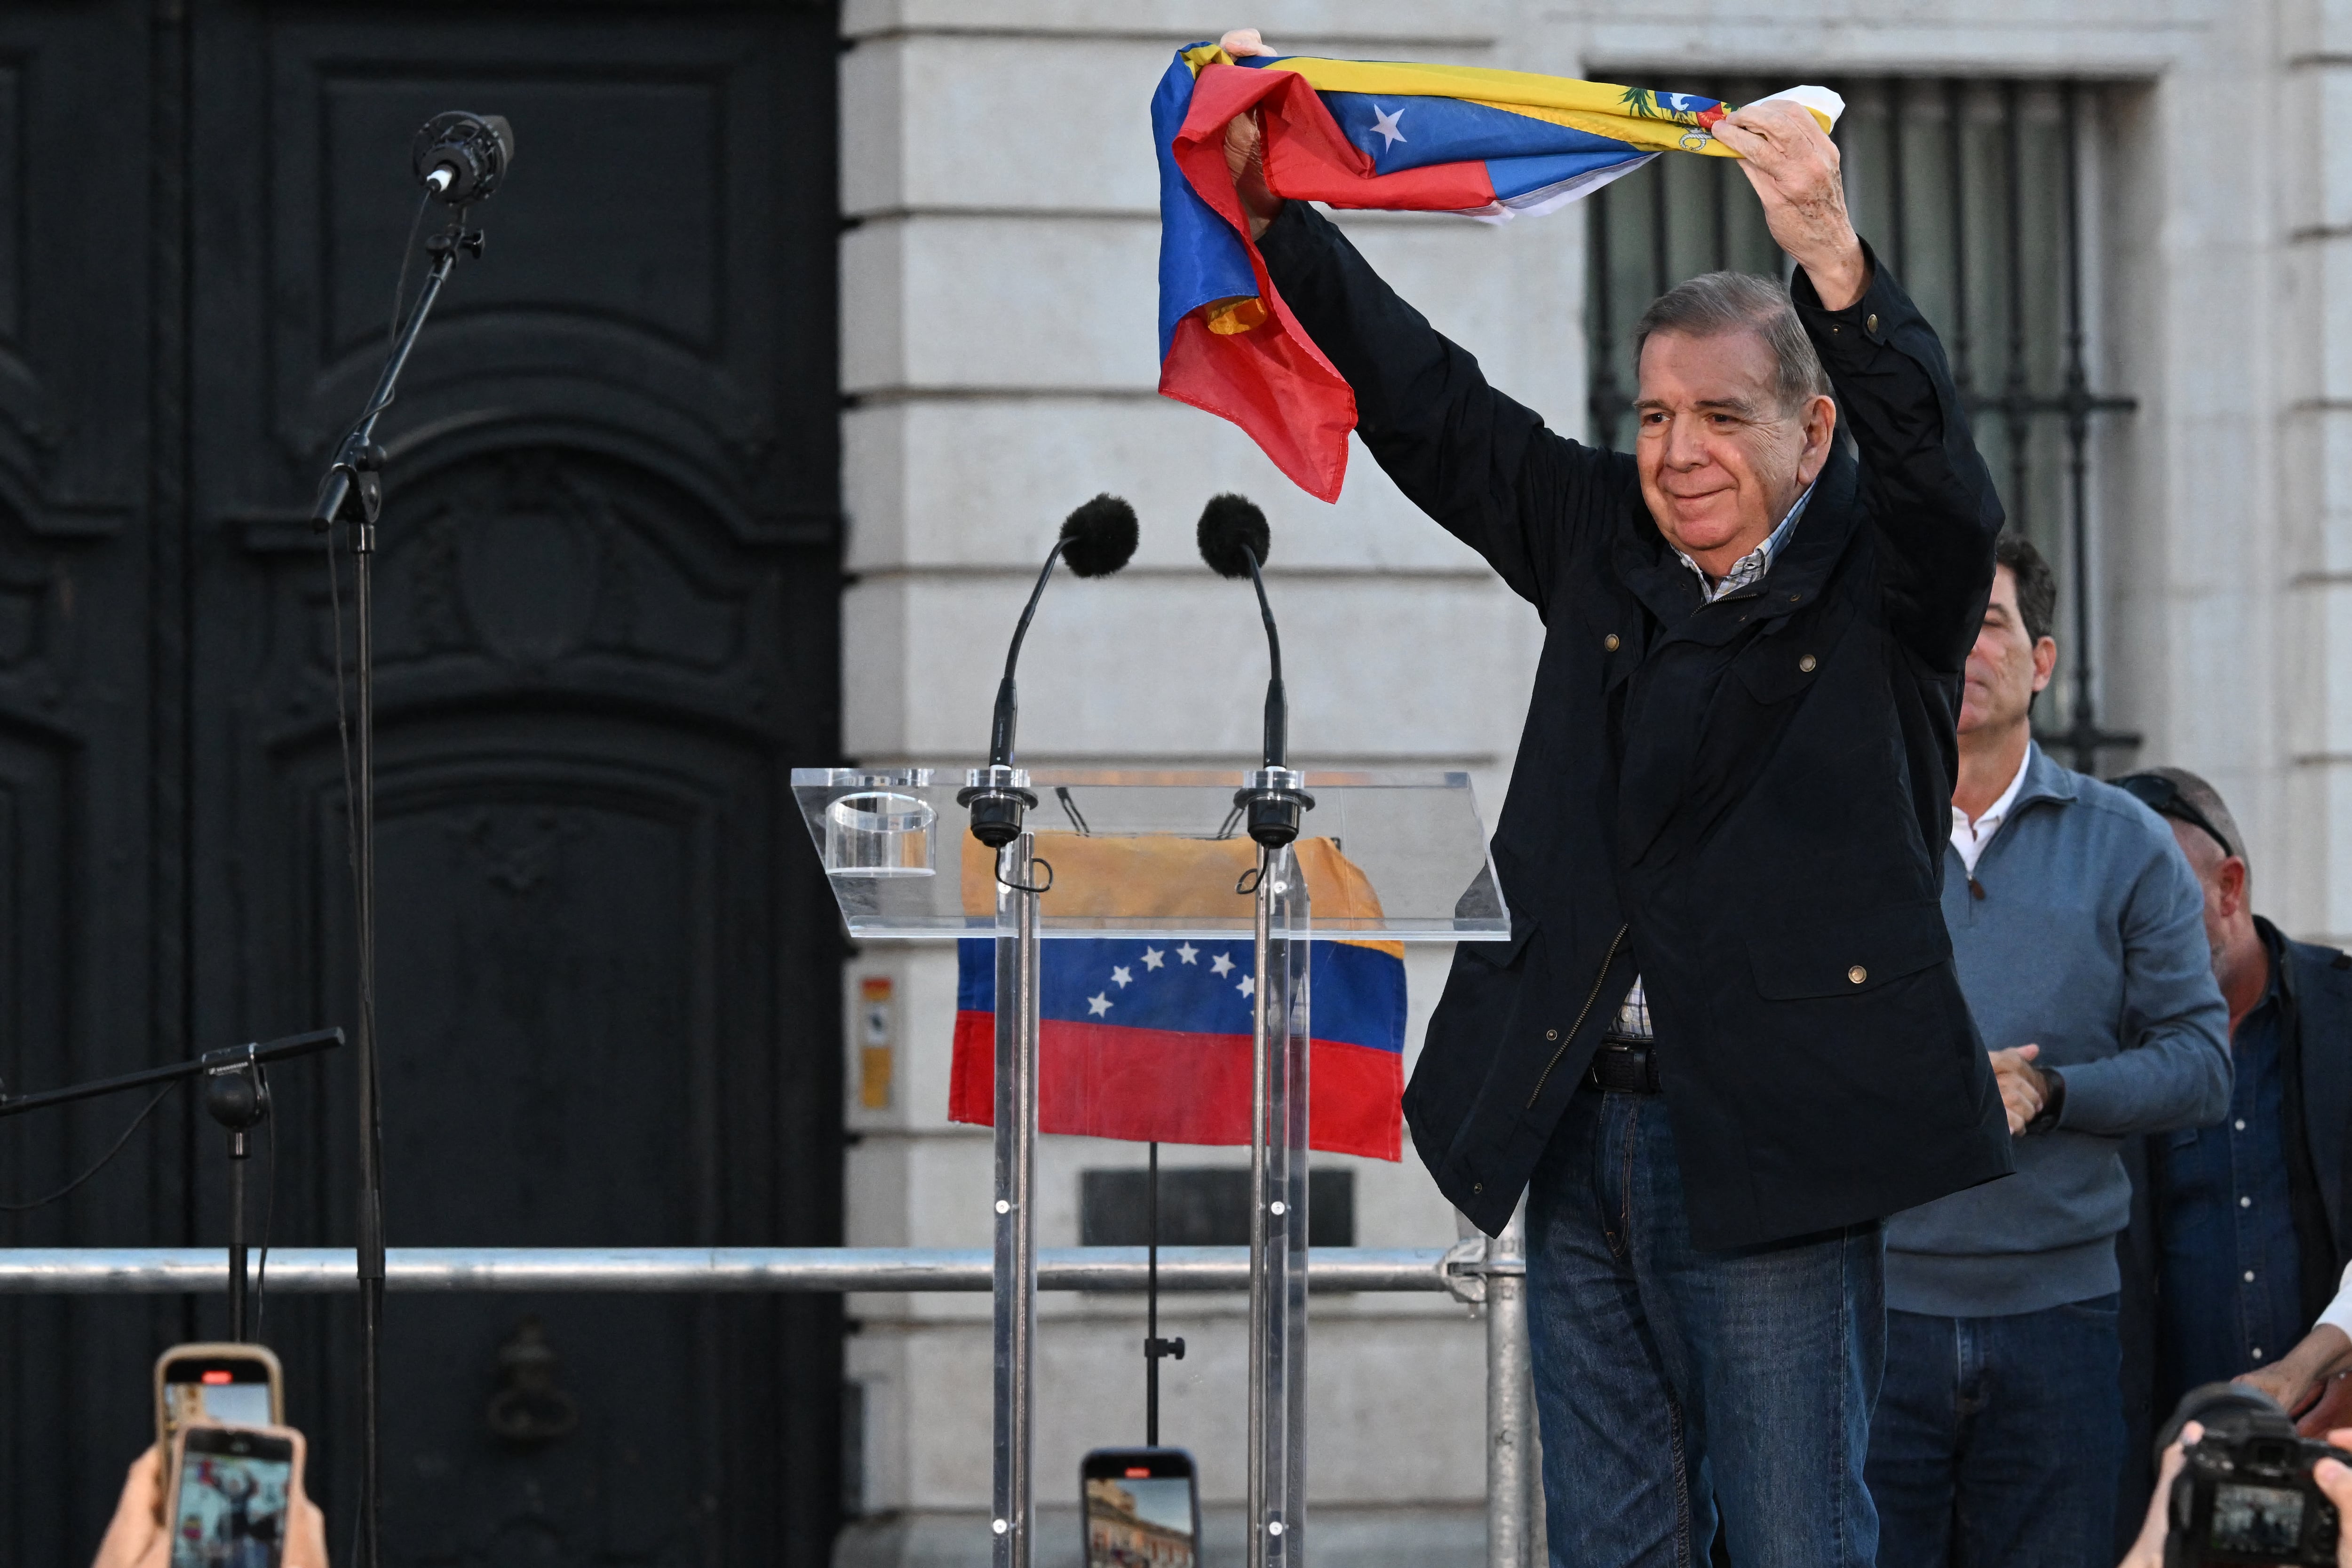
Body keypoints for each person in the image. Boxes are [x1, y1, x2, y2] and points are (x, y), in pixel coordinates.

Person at [1213, 29, 2013, 1567]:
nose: (1679, 451)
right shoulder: (1600, 541)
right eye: (1654, 416)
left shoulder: (1892, 582)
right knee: (1611, 1543)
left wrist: (1829, 250)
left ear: (1811, 428)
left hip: (1777, 1143)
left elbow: (1941, 473)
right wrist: (1270, 212)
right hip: (1579, 1126)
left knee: (1793, 1538)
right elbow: (1426, 404)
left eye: (1721, 416)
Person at [1860, 534, 2230, 1568]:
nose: (1963, 648)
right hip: (1870, 1314)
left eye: (1989, 622)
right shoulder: (1845, 835)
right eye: (1942, 623)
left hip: (2060, 1322)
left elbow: (2201, 1061)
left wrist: (2050, 1090)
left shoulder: (2125, 842)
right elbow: (1774, 1047)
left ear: (2043, 659)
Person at [2109, 768, 2352, 1456]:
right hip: (2169, 1457)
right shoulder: (2108, 1054)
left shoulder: (2343, 1013)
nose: (2140, 935)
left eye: (2160, 903)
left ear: (2230, 887)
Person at [90, 1428, 329, 1568]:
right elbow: (222, 1487)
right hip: (231, 1527)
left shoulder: (243, 1497)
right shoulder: (232, 1496)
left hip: (239, 1527)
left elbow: (247, 1489)